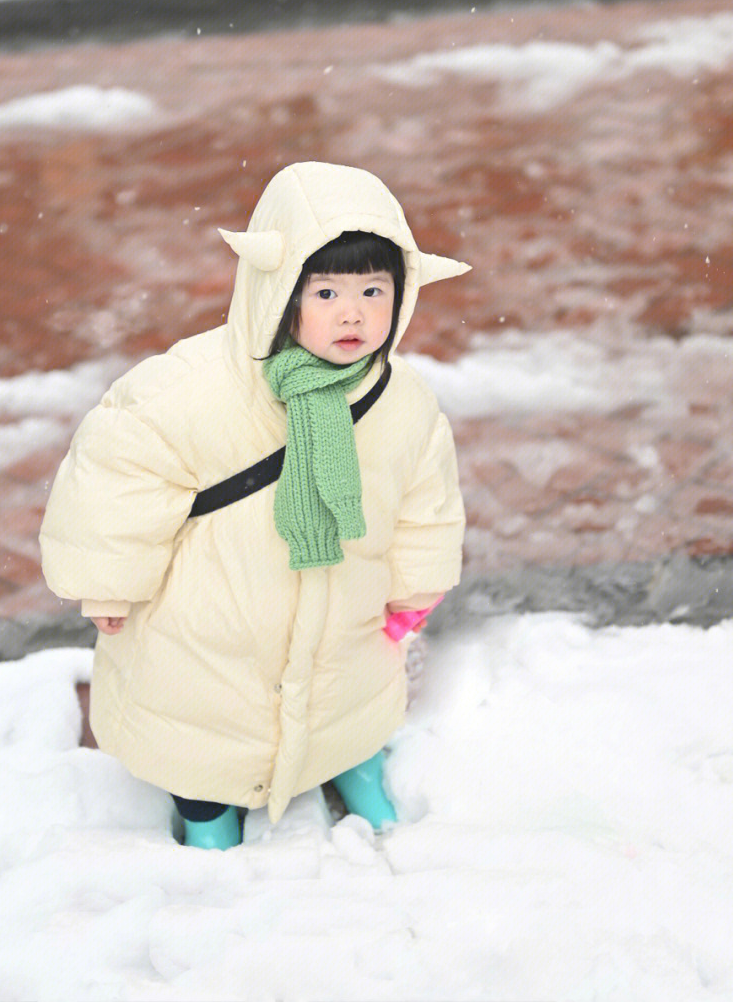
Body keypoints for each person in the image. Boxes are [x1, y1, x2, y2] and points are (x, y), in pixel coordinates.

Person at [39, 160, 468, 849]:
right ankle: (206, 805)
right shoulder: (192, 391)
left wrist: (417, 584)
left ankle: (351, 759)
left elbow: (427, 499)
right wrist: (107, 581)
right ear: (278, 289)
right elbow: (119, 472)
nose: (353, 312)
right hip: (213, 620)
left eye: (373, 289)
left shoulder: (404, 403)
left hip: (346, 613)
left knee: (345, 694)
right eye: (325, 290)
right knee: (205, 718)